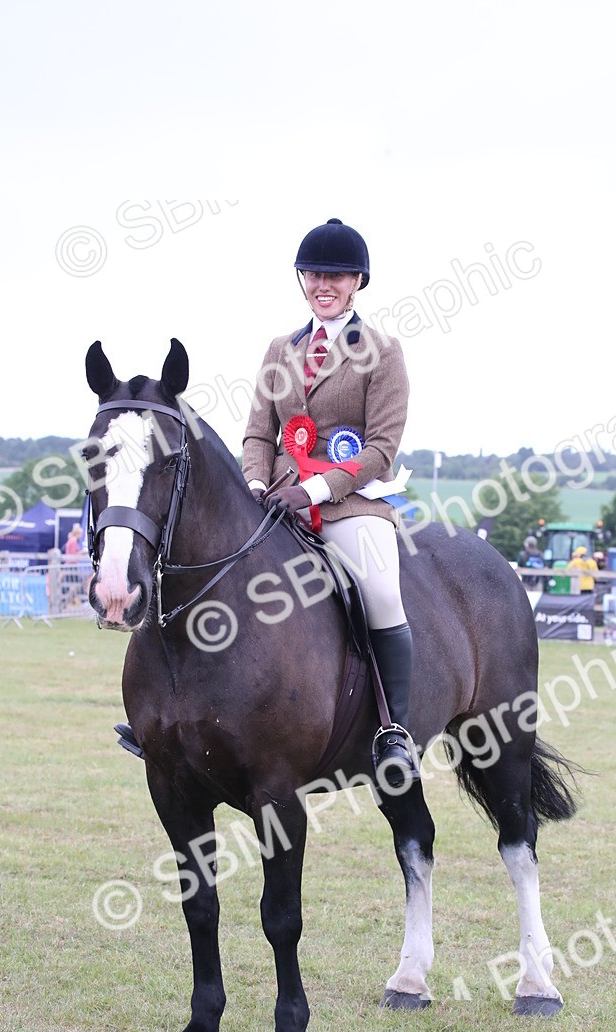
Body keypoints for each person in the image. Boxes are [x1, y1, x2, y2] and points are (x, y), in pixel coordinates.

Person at [242, 218, 417, 784]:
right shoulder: (278, 348)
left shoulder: (382, 351)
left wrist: (313, 489)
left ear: (357, 281)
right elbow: (257, 434)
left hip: (348, 505)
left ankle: (395, 733)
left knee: (382, 593)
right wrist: (253, 486)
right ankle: (176, 717)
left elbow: (382, 449)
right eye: (316, 273)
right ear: (302, 279)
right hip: (272, 502)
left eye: (337, 276)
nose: (325, 284)